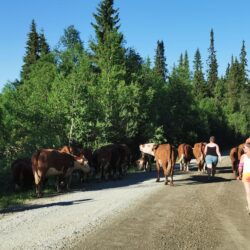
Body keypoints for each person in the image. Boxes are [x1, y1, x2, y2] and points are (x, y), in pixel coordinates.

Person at [238, 142, 250, 215]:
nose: (243, 149)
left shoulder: (243, 156)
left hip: (246, 175)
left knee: (248, 192)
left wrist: (239, 174)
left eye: (244, 148)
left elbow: (240, 167)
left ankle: (249, 207)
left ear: (248, 148)